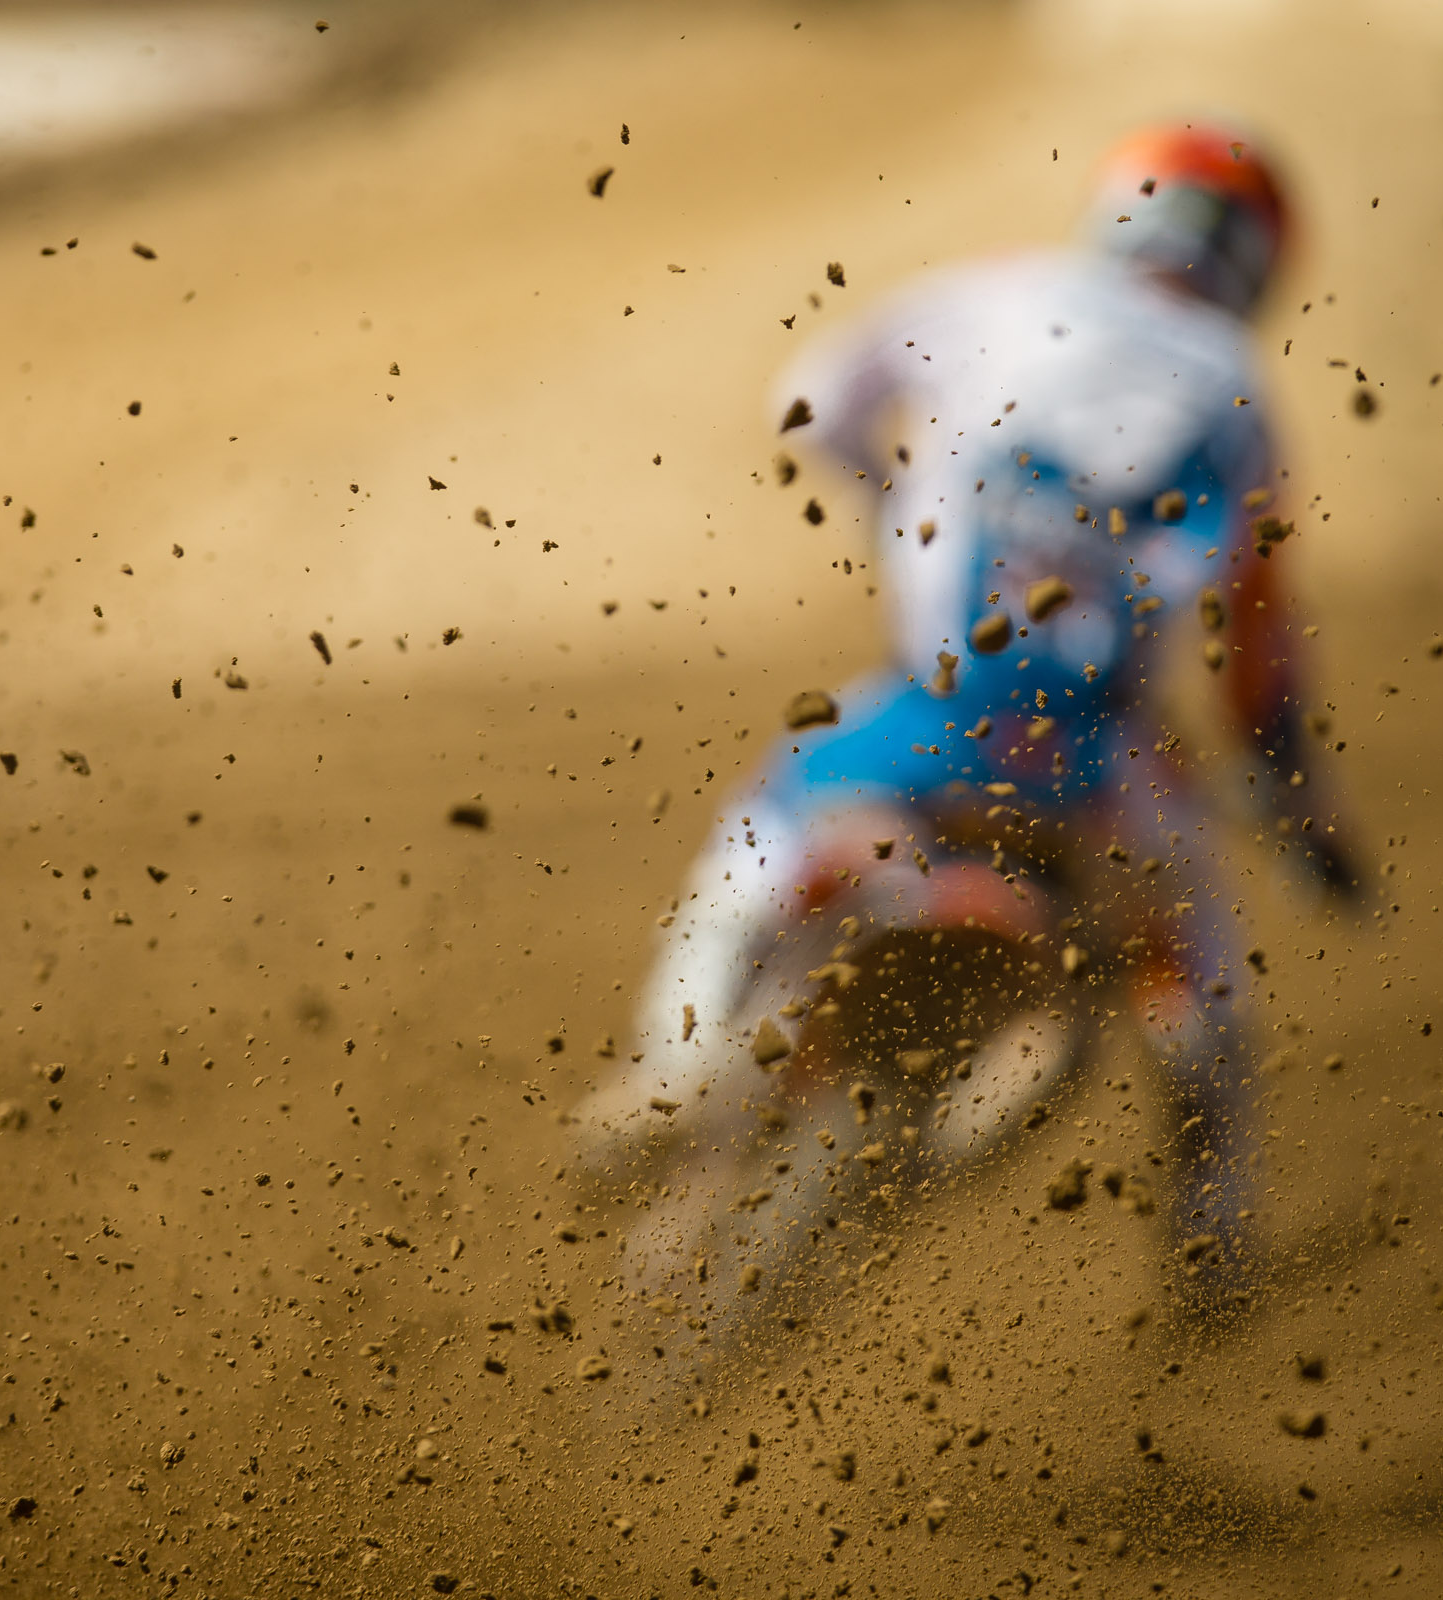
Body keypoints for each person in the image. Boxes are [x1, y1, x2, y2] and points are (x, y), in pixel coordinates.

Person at [573, 123, 1358, 1322]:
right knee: (1202, 987)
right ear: (1259, 258)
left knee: (766, 820)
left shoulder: (991, 294)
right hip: (1099, 764)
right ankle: (1212, 1228)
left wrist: (889, 500)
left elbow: (806, 406)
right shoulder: (1239, 391)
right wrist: (1307, 825)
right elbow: (1259, 663)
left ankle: (667, 1071)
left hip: (934, 716)